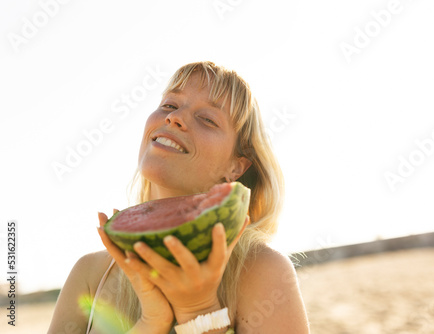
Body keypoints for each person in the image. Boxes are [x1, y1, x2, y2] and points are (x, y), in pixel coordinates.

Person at [48, 61, 310, 333]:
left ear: (236, 167)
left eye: (207, 119)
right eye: (169, 105)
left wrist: (199, 311)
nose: (174, 118)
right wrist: (151, 322)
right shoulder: (91, 274)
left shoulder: (260, 271)